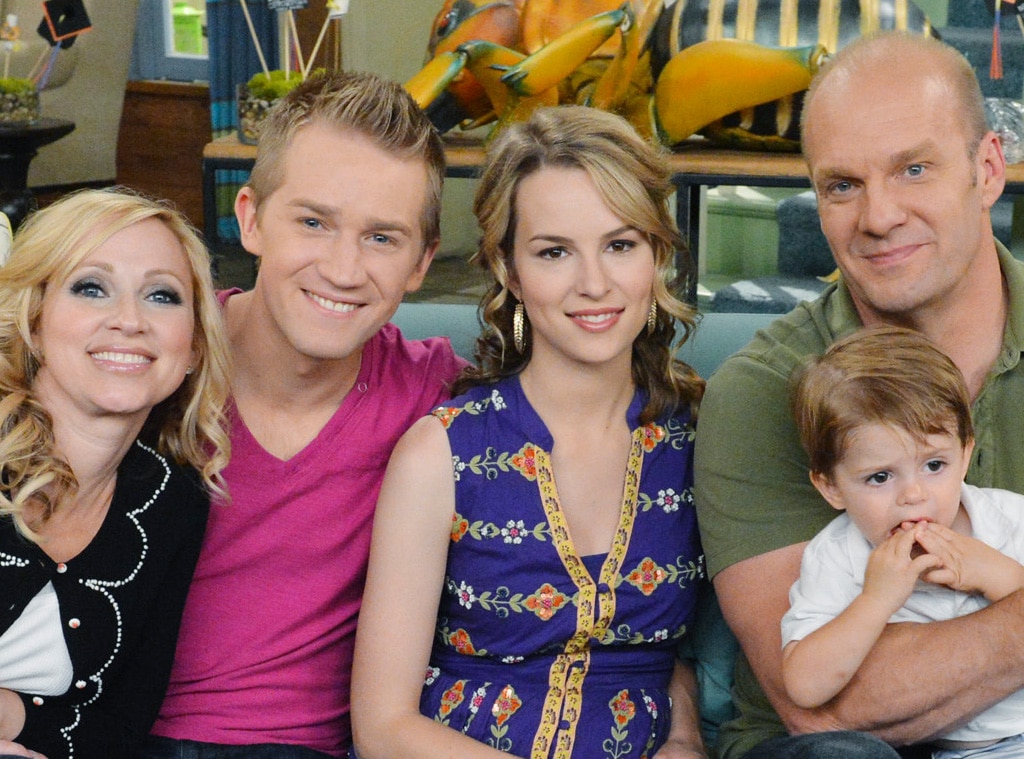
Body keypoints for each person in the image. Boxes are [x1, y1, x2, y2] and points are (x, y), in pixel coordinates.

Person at [693, 30, 1024, 759]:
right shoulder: (763, 391)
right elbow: (831, 706)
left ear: (988, 169)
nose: (878, 218)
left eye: (914, 169)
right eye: (842, 185)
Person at [350, 105, 708, 759]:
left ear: (657, 254)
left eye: (620, 244)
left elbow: (690, 652)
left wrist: (685, 740)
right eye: (554, 252)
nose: (594, 283)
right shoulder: (441, 454)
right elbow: (381, 726)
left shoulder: (699, 442)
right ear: (510, 270)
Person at [143, 71, 466, 759]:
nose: (343, 269)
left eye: (383, 238)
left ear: (422, 262)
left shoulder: (437, 395)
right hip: (128, 731)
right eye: (314, 222)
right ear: (251, 218)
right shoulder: (158, 364)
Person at [0, 188, 232, 759]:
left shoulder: (170, 499)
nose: (129, 321)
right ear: (34, 318)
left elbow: (118, 727)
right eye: (91, 287)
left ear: (194, 346)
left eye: (161, 296)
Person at [782, 326, 1024, 756]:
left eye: (934, 465)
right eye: (880, 476)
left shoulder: (1012, 519)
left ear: (965, 454)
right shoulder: (838, 556)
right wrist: (876, 601)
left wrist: (999, 575)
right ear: (831, 487)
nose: (913, 495)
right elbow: (805, 686)